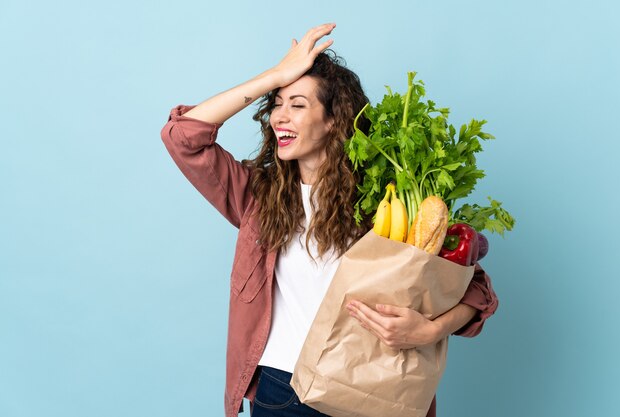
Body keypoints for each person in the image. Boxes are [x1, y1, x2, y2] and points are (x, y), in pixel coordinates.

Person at [160, 23, 498, 417]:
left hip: (369, 389)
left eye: (298, 105)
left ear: (334, 120)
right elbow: (182, 136)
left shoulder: (385, 203)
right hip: (280, 390)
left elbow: (477, 291)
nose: (279, 118)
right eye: (277, 104)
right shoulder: (257, 196)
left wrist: (428, 331)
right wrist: (276, 76)